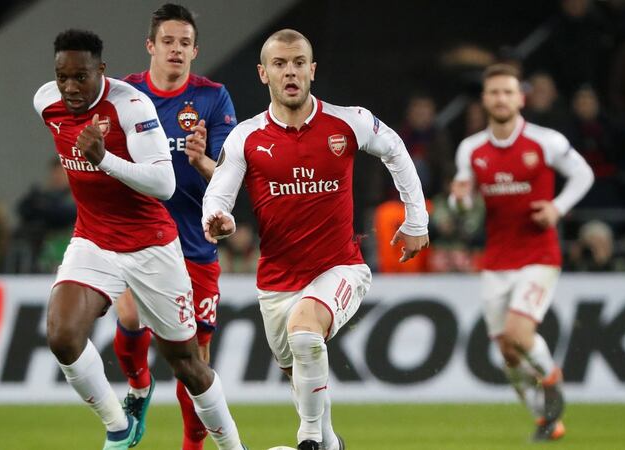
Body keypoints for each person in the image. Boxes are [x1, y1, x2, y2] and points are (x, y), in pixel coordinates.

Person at [202, 29, 430, 450]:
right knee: (301, 372)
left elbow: (396, 148)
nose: (290, 71)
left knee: (306, 333)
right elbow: (219, 193)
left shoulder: (349, 121)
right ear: (263, 73)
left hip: (340, 267)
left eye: (298, 62)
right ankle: (328, 443)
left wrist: (417, 220)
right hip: (276, 282)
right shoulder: (247, 137)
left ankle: (307, 440)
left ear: (312, 69)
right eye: (279, 64)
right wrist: (217, 218)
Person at [32, 29, 245, 450]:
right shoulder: (46, 102)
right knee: (61, 335)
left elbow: (164, 183)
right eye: (63, 77)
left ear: (102, 71)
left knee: (188, 365)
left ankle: (234, 447)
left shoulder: (130, 105)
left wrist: (104, 159)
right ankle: (118, 427)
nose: (71, 88)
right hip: (93, 240)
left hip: (151, 246)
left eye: (81, 77)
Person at [450, 63, 594, 442]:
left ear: (521, 98)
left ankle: (551, 380)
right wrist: (459, 201)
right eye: (494, 92)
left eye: (507, 92)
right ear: (485, 99)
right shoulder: (471, 149)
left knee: (518, 332)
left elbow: (584, 174)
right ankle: (546, 420)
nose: (500, 99)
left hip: (539, 255)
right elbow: (464, 209)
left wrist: (557, 209)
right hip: (496, 261)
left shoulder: (545, 142)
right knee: (508, 355)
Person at [116, 5, 237, 449]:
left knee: (195, 359)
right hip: (137, 236)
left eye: (184, 43)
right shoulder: (125, 93)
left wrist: (203, 160)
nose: (176, 50)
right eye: (167, 41)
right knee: (129, 316)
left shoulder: (212, 98)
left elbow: (228, 176)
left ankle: (193, 445)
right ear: (151, 46)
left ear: (195, 51)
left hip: (193, 242)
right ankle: (139, 385)